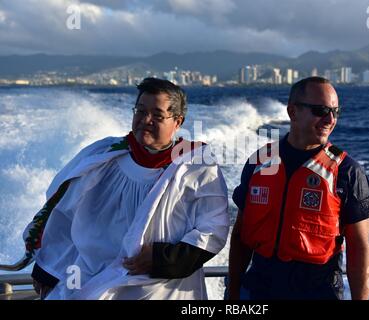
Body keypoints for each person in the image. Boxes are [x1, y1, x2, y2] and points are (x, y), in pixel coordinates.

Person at [0, 78, 230, 300]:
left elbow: (214, 227)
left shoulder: (197, 166)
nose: (146, 119)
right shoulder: (102, 155)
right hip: (92, 280)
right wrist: (48, 269)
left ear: (177, 122)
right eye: (140, 111)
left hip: (161, 287)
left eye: (157, 115)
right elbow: (64, 213)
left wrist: (161, 259)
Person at [228, 76, 369, 300]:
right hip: (258, 290)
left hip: (318, 292)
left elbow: (359, 248)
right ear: (293, 112)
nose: (330, 119)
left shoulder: (347, 172)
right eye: (320, 110)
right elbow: (240, 234)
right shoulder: (260, 162)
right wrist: (233, 290)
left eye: (335, 112)